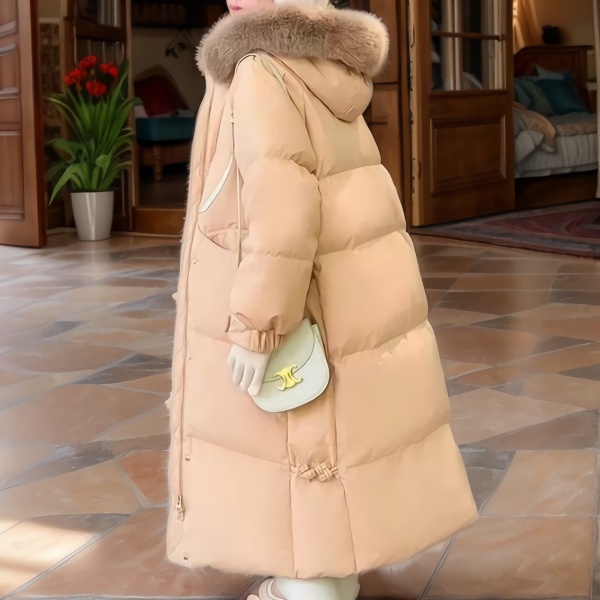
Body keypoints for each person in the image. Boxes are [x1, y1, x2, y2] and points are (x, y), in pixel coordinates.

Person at [167, 1, 477, 599]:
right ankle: (335, 572)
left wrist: (257, 324)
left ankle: (305, 586)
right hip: (344, 286)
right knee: (334, 433)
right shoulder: (320, 64)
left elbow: (280, 213)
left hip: (295, 296)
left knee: (294, 437)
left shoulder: (259, 68)